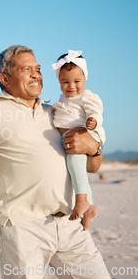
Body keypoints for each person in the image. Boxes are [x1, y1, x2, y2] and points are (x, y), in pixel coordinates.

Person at [0, 45, 109, 278]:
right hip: (23, 227)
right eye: (27, 69)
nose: (37, 74)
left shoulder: (57, 112)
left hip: (70, 222)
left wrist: (95, 148)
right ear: (5, 78)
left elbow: (92, 167)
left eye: (38, 68)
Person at [51, 49, 104, 229]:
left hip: (85, 133)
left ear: (85, 79)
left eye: (76, 81)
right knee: (77, 170)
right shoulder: (63, 99)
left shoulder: (87, 97)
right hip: (73, 137)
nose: (71, 86)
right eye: (65, 82)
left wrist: (93, 121)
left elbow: (95, 111)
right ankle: (88, 207)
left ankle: (81, 201)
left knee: (75, 165)